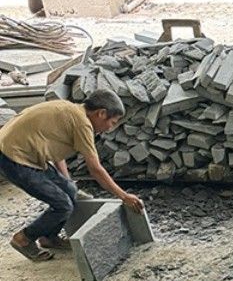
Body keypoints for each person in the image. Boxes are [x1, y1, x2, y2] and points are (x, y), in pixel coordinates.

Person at [0, 90, 144, 263]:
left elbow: (56, 149)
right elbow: (95, 169)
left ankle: (48, 237)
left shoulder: (71, 111)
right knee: (63, 205)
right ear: (101, 113)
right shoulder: (83, 124)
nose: (110, 128)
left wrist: (67, 182)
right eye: (112, 123)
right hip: (12, 156)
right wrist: (124, 196)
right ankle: (23, 238)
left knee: (70, 191)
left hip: (22, 150)